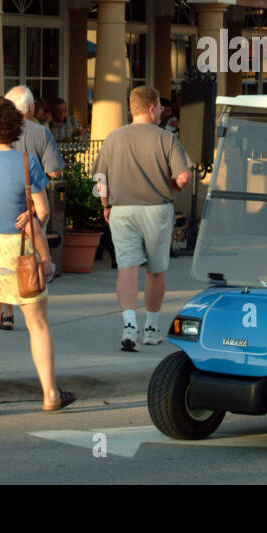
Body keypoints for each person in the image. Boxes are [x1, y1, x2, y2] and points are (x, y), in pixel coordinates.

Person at [0, 97, 71, 414]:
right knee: (37, 324)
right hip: (15, 247)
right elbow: (43, 211)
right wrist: (31, 214)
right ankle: (49, 393)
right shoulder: (25, 162)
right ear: (15, 127)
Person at [93, 86, 193, 351]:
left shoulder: (113, 138)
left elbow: (99, 179)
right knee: (155, 270)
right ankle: (151, 326)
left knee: (127, 268)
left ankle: (129, 324)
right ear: (151, 109)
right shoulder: (166, 138)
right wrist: (172, 185)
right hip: (156, 208)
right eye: (160, 107)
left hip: (121, 209)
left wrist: (105, 204)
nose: (161, 112)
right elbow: (183, 177)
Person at [2, 84, 66, 327]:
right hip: (32, 202)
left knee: (6, 257)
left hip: (4, 201)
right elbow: (54, 170)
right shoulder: (41, 133)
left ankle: (6, 312)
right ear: (30, 108)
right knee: (29, 254)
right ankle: (30, 307)